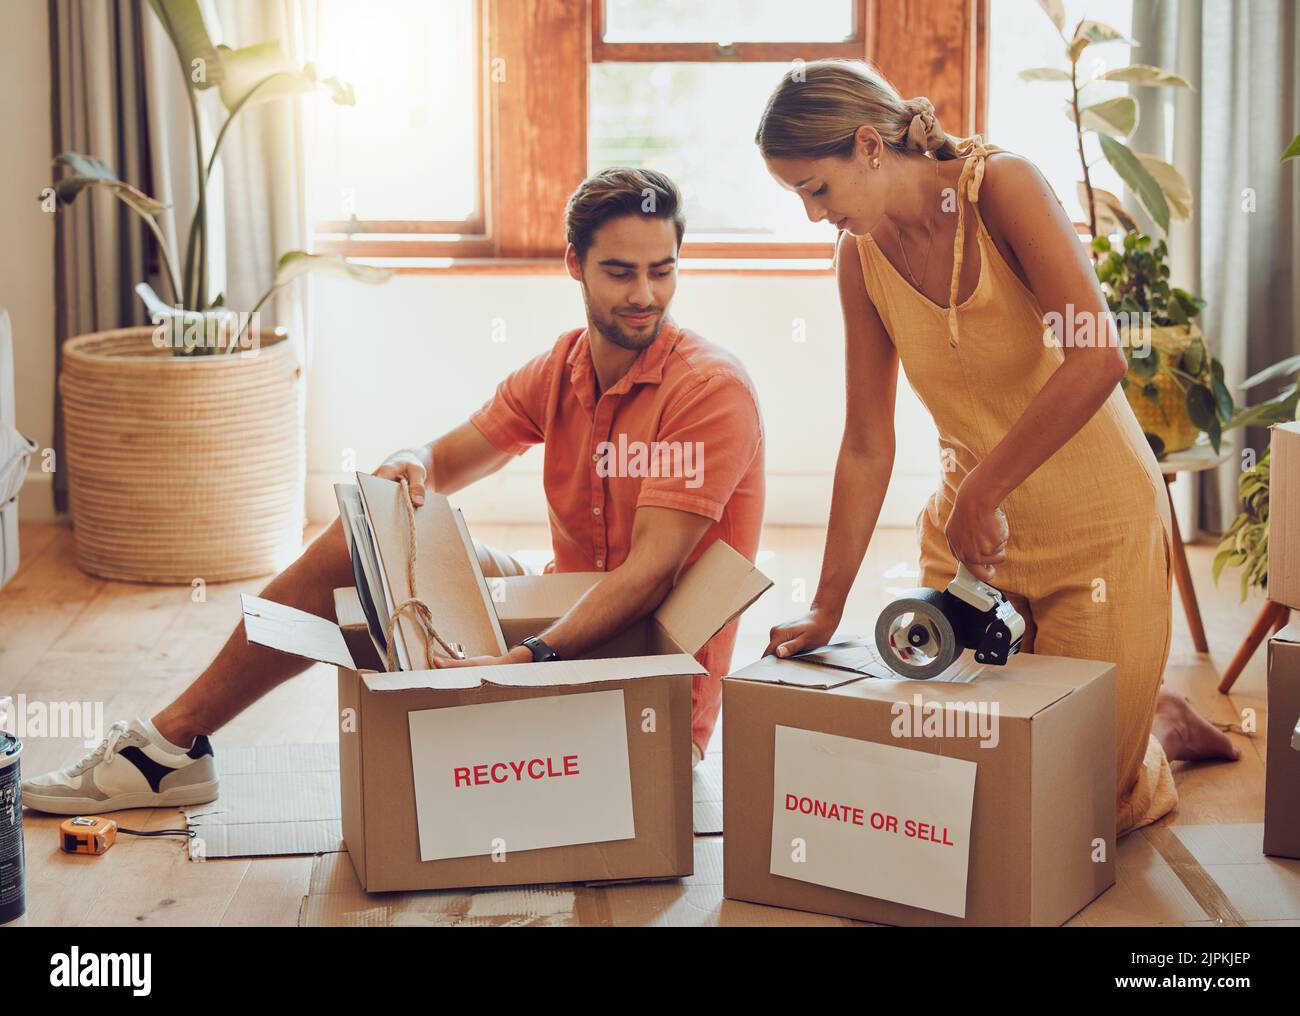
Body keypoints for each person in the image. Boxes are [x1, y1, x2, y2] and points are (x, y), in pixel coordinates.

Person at [23, 168, 765, 815]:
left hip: (641, 680)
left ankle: (186, 751)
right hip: (559, 623)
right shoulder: (563, 368)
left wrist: (529, 657)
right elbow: (443, 458)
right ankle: (169, 749)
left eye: (662, 271)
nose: (645, 295)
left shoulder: (706, 389)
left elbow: (649, 573)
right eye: (621, 272)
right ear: (574, 263)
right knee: (363, 537)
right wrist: (406, 460)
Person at [756, 60, 1236, 835]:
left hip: (1099, 533)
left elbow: (1098, 356)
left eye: (816, 189)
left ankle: (1158, 729)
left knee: (1076, 817)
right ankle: (1143, 709)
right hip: (975, 550)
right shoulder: (860, 261)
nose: (815, 216)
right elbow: (868, 443)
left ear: (871, 146)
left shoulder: (1001, 188)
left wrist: (982, 488)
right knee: (966, 791)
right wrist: (826, 602)